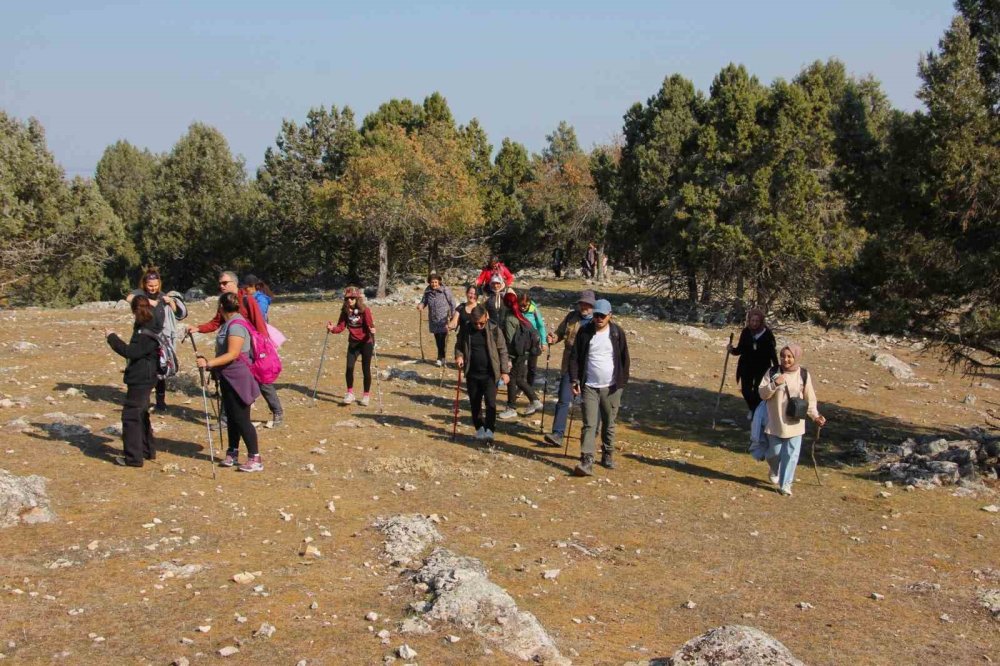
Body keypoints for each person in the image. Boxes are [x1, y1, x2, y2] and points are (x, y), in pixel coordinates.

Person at [195, 271, 285, 426]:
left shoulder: (247, 299)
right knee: (228, 380)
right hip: (233, 347)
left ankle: (277, 412)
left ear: (234, 283)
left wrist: (263, 350)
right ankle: (225, 419)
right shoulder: (224, 302)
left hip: (251, 348)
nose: (221, 286)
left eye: (225, 283)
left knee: (262, 380)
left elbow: (260, 323)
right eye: (220, 283)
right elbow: (216, 322)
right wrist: (197, 328)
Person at [196, 292, 263, 472]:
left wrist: (208, 363)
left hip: (239, 378)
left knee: (241, 419)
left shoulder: (236, 326)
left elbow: (233, 354)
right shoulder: (230, 323)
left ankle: (255, 458)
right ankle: (232, 452)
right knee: (232, 417)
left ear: (220, 308)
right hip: (228, 376)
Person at [569, 299, 630, 476]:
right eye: (596, 315)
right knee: (589, 424)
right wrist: (574, 380)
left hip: (612, 387)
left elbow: (625, 359)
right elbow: (575, 358)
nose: (598, 318)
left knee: (609, 424)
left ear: (610, 315)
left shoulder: (617, 333)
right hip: (589, 386)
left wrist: (621, 383)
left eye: (602, 316)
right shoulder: (585, 332)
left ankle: (607, 453)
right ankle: (586, 460)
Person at [758, 344, 827, 496]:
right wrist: (775, 384)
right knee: (773, 454)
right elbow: (762, 394)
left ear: (796, 357)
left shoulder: (803, 374)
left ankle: (785, 485)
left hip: (796, 423)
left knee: (791, 456)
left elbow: (810, 399)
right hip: (775, 421)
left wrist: (815, 416)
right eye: (783, 356)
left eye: (789, 356)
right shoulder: (773, 372)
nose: (786, 359)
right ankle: (774, 470)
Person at [104, 296, 159, 467]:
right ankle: (146, 450)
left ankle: (133, 457)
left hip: (141, 377)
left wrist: (112, 337)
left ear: (135, 310)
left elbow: (131, 352)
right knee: (142, 414)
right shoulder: (151, 324)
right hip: (148, 376)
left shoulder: (144, 331)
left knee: (131, 415)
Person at [125, 267, 187, 412]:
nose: (153, 288)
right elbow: (129, 298)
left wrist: (171, 302)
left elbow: (178, 313)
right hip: (143, 335)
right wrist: (148, 302)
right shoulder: (140, 294)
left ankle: (161, 401)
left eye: (156, 285)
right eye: (150, 286)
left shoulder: (162, 295)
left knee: (160, 369)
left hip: (159, 337)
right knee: (143, 368)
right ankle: (143, 400)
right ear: (144, 284)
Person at [540, 290, 596, 447]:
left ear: (592, 305)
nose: (584, 306)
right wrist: (553, 338)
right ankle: (557, 434)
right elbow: (560, 333)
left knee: (589, 402)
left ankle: (592, 432)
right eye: (582, 303)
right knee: (564, 398)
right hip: (569, 362)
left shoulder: (598, 321)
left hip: (590, 365)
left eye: (587, 304)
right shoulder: (572, 317)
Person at [455, 305, 511, 442]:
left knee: (491, 403)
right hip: (472, 373)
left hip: (490, 374)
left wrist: (505, 372)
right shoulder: (466, 329)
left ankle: (490, 429)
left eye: (481, 323)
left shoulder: (494, 330)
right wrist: (459, 356)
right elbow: (458, 346)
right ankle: (479, 427)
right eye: (476, 323)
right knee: (475, 402)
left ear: (486, 317)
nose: (479, 326)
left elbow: (503, 351)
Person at [326, 286, 376, 406]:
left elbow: (370, 325)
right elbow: (340, 327)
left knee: (366, 369)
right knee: (349, 367)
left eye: (352, 298)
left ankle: (366, 396)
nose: (350, 300)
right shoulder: (345, 311)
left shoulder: (365, 310)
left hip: (366, 343)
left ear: (357, 298)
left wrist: (372, 330)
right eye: (347, 298)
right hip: (353, 343)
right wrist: (332, 329)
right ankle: (350, 393)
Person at [498, 293, 543, 419]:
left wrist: (508, 358)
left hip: (516, 354)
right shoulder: (521, 316)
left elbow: (510, 340)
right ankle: (531, 401)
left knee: (514, 379)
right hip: (525, 353)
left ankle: (514, 407)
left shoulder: (510, 318)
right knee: (518, 379)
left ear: (505, 304)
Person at [728, 308, 778, 417]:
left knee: (758, 391)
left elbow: (772, 352)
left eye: (757, 321)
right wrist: (732, 350)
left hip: (762, 367)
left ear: (761, 322)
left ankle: (756, 412)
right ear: (749, 321)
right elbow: (740, 349)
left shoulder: (767, 334)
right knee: (746, 390)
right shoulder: (746, 332)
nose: (754, 323)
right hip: (746, 366)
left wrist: (776, 367)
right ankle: (753, 408)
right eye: (752, 321)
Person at [417, 273, 456, 367]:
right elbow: (424, 301)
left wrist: (453, 317)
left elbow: (452, 303)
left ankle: (441, 357)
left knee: (443, 338)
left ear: (439, 281)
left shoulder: (445, 290)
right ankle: (441, 357)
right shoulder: (428, 291)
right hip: (433, 319)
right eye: (432, 282)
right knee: (437, 338)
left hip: (444, 319)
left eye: (435, 282)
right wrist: (421, 305)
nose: (434, 284)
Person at [518, 291, 547, 386]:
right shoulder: (516, 310)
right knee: (520, 366)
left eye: (525, 306)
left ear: (529, 303)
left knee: (532, 366)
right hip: (521, 342)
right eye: (521, 305)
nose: (522, 308)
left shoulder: (534, 310)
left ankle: (529, 386)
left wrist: (544, 342)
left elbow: (541, 326)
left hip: (533, 341)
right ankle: (521, 386)